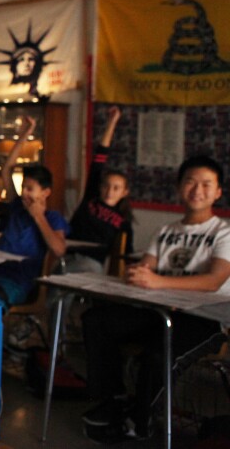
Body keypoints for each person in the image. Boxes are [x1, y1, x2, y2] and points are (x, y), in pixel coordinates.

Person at [81, 155, 230, 442]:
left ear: (218, 192)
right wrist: (138, 273)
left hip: (206, 318)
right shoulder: (167, 231)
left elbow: (214, 281)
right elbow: (146, 266)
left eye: (206, 184)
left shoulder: (223, 232)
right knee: (97, 320)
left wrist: (158, 281)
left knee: (157, 354)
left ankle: (140, 423)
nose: (197, 190)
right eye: (190, 182)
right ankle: (114, 398)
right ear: (178, 188)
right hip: (160, 311)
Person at [0, 116, 68, 311]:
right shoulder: (17, 207)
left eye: (30, 189)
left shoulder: (53, 218)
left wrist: (38, 217)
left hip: (19, 279)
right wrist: (24, 136)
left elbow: (59, 250)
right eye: (23, 188)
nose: (24, 193)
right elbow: (6, 170)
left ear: (46, 193)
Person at [65, 106, 133, 274]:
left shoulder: (123, 221)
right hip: (67, 256)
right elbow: (99, 159)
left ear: (125, 192)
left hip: (92, 264)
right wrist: (111, 123)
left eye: (116, 188)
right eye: (106, 185)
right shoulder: (91, 198)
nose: (110, 191)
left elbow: (127, 254)